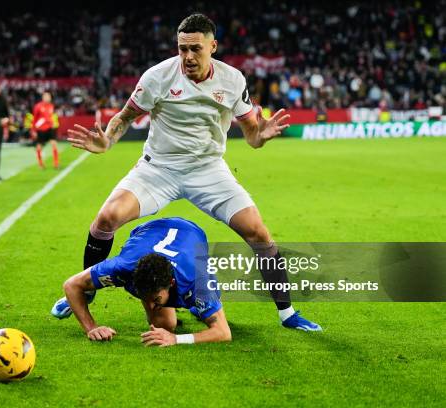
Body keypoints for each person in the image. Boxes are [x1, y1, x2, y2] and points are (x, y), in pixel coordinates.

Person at [67, 14, 321, 330]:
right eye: (182, 48)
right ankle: (85, 291)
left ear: (212, 46)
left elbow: (252, 136)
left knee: (258, 232)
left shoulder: (233, 81)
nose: (187, 57)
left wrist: (261, 136)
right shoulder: (157, 77)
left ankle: (287, 313)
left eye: (195, 49)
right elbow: (125, 116)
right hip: (159, 167)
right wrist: (107, 140)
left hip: (208, 170)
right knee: (105, 220)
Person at [52, 217, 232, 345]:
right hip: (148, 231)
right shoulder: (122, 268)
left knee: (183, 321)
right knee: (164, 326)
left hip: (192, 234)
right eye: (144, 297)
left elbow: (223, 333)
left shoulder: (198, 278)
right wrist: (91, 328)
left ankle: (200, 306)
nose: (150, 305)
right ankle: (82, 297)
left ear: (171, 282)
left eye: (155, 299)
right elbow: (71, 284)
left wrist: (176, 339)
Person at [32, 92, 59, 169]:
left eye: (49, 96)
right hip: (41, 129)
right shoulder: (38, 106)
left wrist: (52, 123)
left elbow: (50, 116)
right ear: (43, 97)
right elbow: (34, 119)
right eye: (46, 96)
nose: (48, 98)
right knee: (39, 147)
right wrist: (33, 130)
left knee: (54, 144)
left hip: (50, 128)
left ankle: (56, 163)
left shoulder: (51, 106)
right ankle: (40, 164)